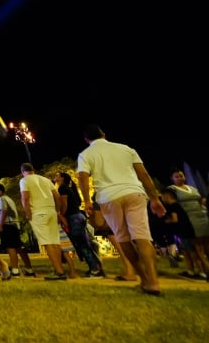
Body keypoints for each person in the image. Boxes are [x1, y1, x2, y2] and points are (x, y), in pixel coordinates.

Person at [77, 124, 166, 296]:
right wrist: (155, 198)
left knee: (122, 237)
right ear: (104, 134)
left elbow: (82, 177)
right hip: (134, 192)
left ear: (87, 140)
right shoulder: (125, 148)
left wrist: (87, 200)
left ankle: (143, 279)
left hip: (109, 196)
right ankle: (154, 282)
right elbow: (143, 174)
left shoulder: (86, 154)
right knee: (142, 237)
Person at [20, 162, 67, 280]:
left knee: (47, 242)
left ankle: (59, 271)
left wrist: (28, 214)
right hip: (51, 211)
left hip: (38, 212)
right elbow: (57, 196)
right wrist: (58, 211)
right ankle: (59, 269)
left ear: (22, 172)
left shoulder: (24, 181)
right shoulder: (45, 180)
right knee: (55, 241)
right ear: (33, 170)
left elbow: (25, 198)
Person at [54, 172, 104, 278]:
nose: (55, 177)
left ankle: (95, 270)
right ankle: (95, 267)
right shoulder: (69, 188)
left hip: (74, 219)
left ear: (62, 178)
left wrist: (61, 215)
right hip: (78, 217)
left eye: (58, 175)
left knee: (83, 245)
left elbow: (64, 204)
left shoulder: (62, 188)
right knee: (85, 244)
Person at [167, 168, 209, 278]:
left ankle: (203, 270)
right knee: (194, 245)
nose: (180, 178)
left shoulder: (192, 188)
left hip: (202, 217)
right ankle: (200, 270)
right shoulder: (172, 189)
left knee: (205, 244)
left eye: (181, 176)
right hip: (187, 219)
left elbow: (201, 200)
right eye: (176, 176)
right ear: (172, 178)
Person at [0, 183, 35, 277]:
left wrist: (1, 225)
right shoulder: (7, 199)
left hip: (8, 225)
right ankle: (29, 269)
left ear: (0, 192)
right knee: (19, 248)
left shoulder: (2, 199)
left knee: (11, 247)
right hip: (13, 225)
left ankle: (15, 270)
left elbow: (4, 211)